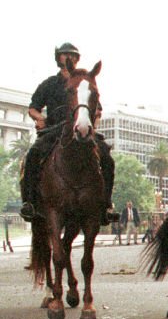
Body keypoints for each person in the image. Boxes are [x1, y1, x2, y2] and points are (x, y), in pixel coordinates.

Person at [20, 42, 118, 226]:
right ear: (58, 58)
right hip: (54, 130)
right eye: (65, 54)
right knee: (32, 155)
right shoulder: (49, 84)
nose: (69, 57)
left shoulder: (84, 83)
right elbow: (33, 108)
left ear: (77, 59)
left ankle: (106, 204)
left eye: (73, 55)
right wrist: (40, 118)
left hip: (81, 128)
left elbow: (97, 110)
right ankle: (30, 202)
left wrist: (94, 121)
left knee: (106, 157)